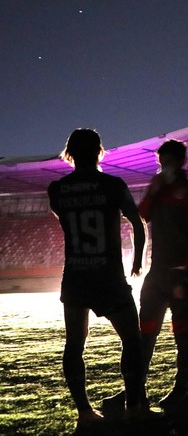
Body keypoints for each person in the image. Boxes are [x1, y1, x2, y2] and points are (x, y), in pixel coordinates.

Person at [48, 129, 148, 429]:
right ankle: (134, 406)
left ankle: (85, 412)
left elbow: (64, 219)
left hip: (76, 275)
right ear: (99, 151)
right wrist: (139, 259)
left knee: (74, 345)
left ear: (70, 154)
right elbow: (138, 223)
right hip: (109, 276)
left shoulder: (57, 189)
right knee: (132, 339)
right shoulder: (113, 185)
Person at [138, 139, 188, 408]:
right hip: (156, 273)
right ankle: (136, 388)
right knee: (145, 331)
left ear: (181, 162)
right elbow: (142, 216)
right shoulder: (158, 189)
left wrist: (187, 273)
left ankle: (181, 387)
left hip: (179, 274)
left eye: (168, 162)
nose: (164, 167)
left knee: (181, 329)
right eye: (161, 162)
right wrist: (153, 192)